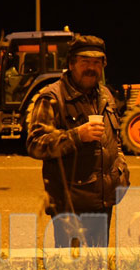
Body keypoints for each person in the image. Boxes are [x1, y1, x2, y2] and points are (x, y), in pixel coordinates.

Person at [26, 35, 130, 247]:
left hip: (103, 202)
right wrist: (77, 136)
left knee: (98, 261)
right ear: (71, 64)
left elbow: (115, 139)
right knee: (70, 264)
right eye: (85, 62)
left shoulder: (105, 95)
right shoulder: (52, 97)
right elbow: (35, 144)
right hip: (70, 206)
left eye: (97, 62)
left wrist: (121, 169)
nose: (91, 68)